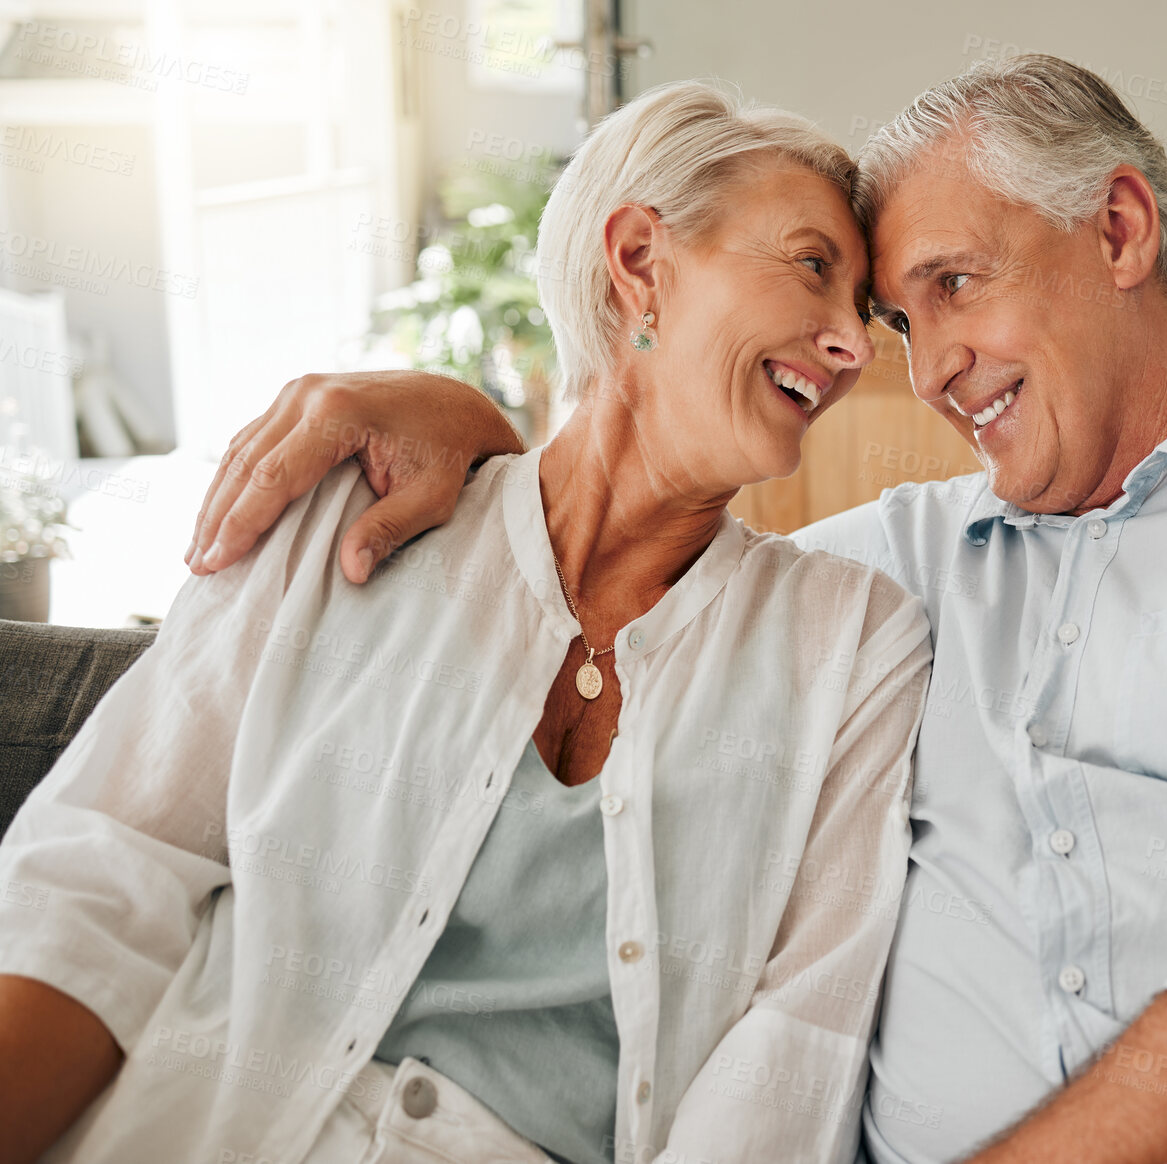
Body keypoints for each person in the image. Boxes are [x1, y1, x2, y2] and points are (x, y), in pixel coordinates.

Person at [180, 55, 1167, 1164]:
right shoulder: (887, 573)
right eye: (896, 320)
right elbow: (628, 551)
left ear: (1122, 228)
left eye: (956, 285)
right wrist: (460, 418)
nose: (925, 366)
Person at [0, 80, 932, 1164]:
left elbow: (792, 1050)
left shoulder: (851, 643)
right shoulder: (346, 510)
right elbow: (111, 870)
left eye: (864, 311)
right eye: (815, 267)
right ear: (639, 262)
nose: (853, 347)